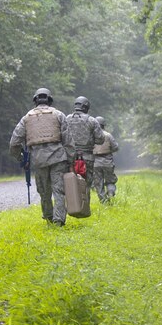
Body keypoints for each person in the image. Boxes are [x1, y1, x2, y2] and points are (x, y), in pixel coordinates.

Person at [9, 88, 73, 226]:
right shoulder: (59, 115)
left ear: (35, 100)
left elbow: (14, 142)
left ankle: (49, 218)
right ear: (49, 100)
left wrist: (21, 158)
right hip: (59, 158)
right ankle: (59, 221)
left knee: (44, 192)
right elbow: (68, 141)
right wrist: (71, 160)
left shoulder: (26, 118)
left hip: (38, 159)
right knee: (59, 190)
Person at [66, 96, 105, 217]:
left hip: (70, 157)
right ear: (86, 107)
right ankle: (84, 210)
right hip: (87, 157)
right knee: (86, 184)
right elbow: (100, 139)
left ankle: (70, 208)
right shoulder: (92, 121)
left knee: (69, 183)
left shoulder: (66, 119)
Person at [92, 115, 120, 203]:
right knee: (110, 180)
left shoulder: (91, 136)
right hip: (107, 161)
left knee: (98, 183)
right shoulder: (108, 135)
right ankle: (111, 193)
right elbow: (115, 147)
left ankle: (104, 202)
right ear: (104, 125)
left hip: (95, 162)